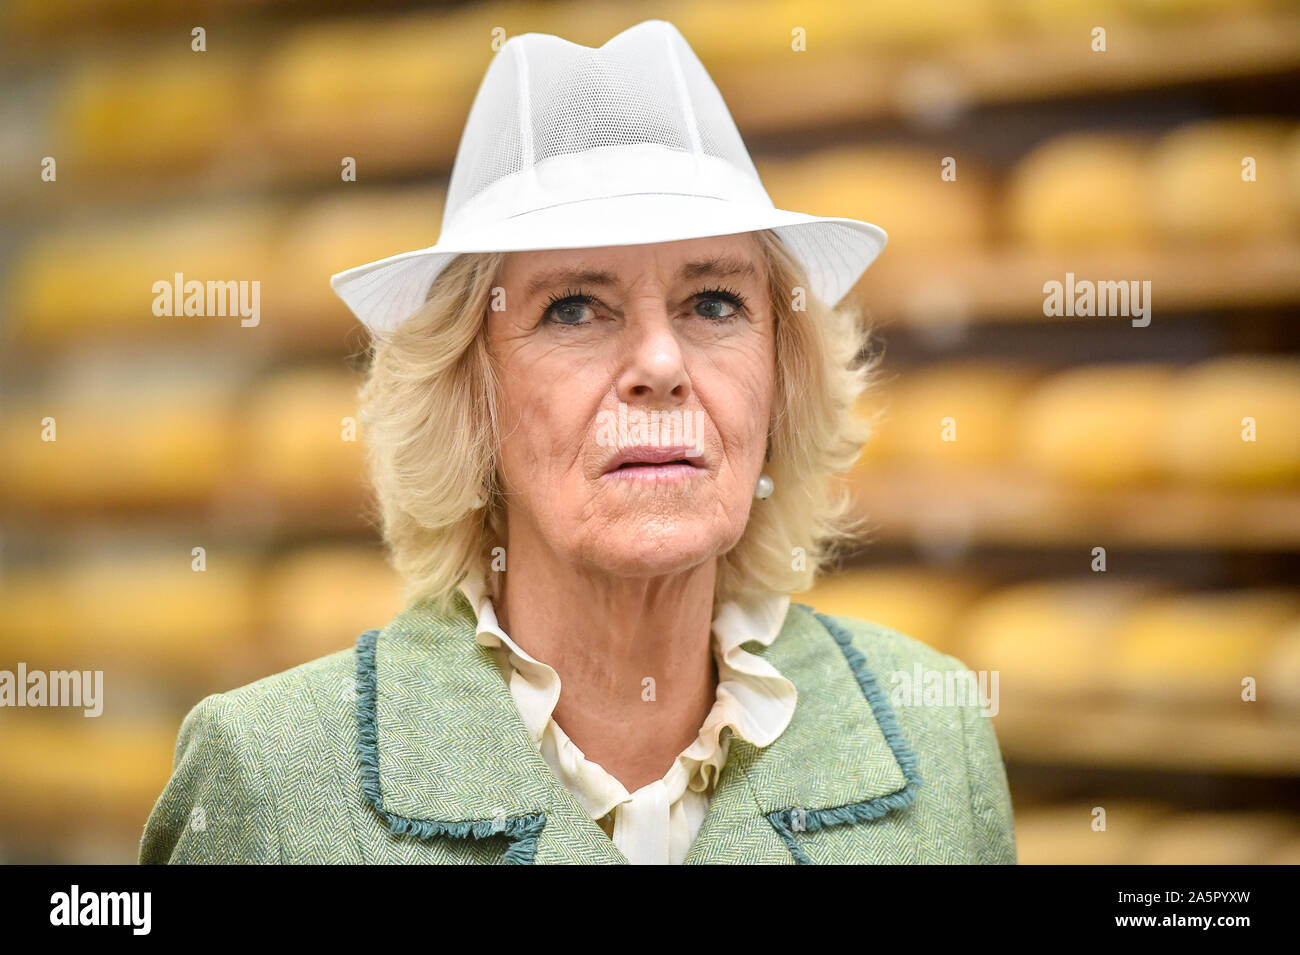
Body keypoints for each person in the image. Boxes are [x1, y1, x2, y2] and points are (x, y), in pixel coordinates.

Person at [140, 19, 1015, 865]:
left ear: (782, 379)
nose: (661, 364)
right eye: (572, 308)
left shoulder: (937, 737)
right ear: (467, 396)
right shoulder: (274, 782)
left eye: (714, 302)